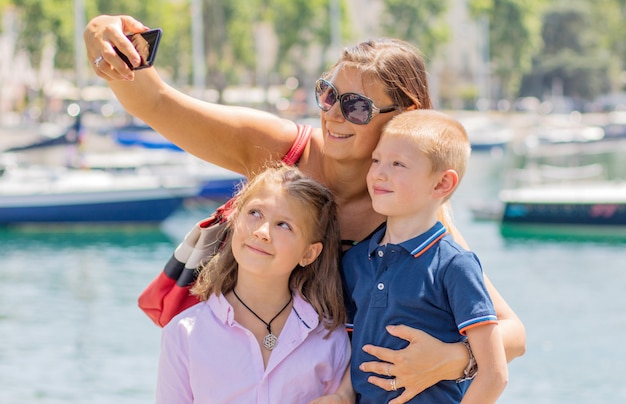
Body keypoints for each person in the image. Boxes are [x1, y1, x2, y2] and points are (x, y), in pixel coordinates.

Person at [84, 15, 526, 403]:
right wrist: (102, 31)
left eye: (356, 107)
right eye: (328, 94)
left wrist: (452, 360)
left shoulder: (405, 214)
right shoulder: (283, 151)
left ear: (401, 117)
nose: (333, 115)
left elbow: (511, 333)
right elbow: (158, 103)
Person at [340, 109, 508, 403]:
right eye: (376, 160)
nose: (379, 173)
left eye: (398, 164)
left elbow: (494, 374)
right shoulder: (355, 262)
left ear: (442, 184)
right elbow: (347, 351)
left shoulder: (455, 265)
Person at [157, 164, 351, 403]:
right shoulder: (183, 333)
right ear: (235, 220)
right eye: (255, 213)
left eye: (284, 225)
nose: (262, 232)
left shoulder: (330, 338)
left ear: (309, 254)